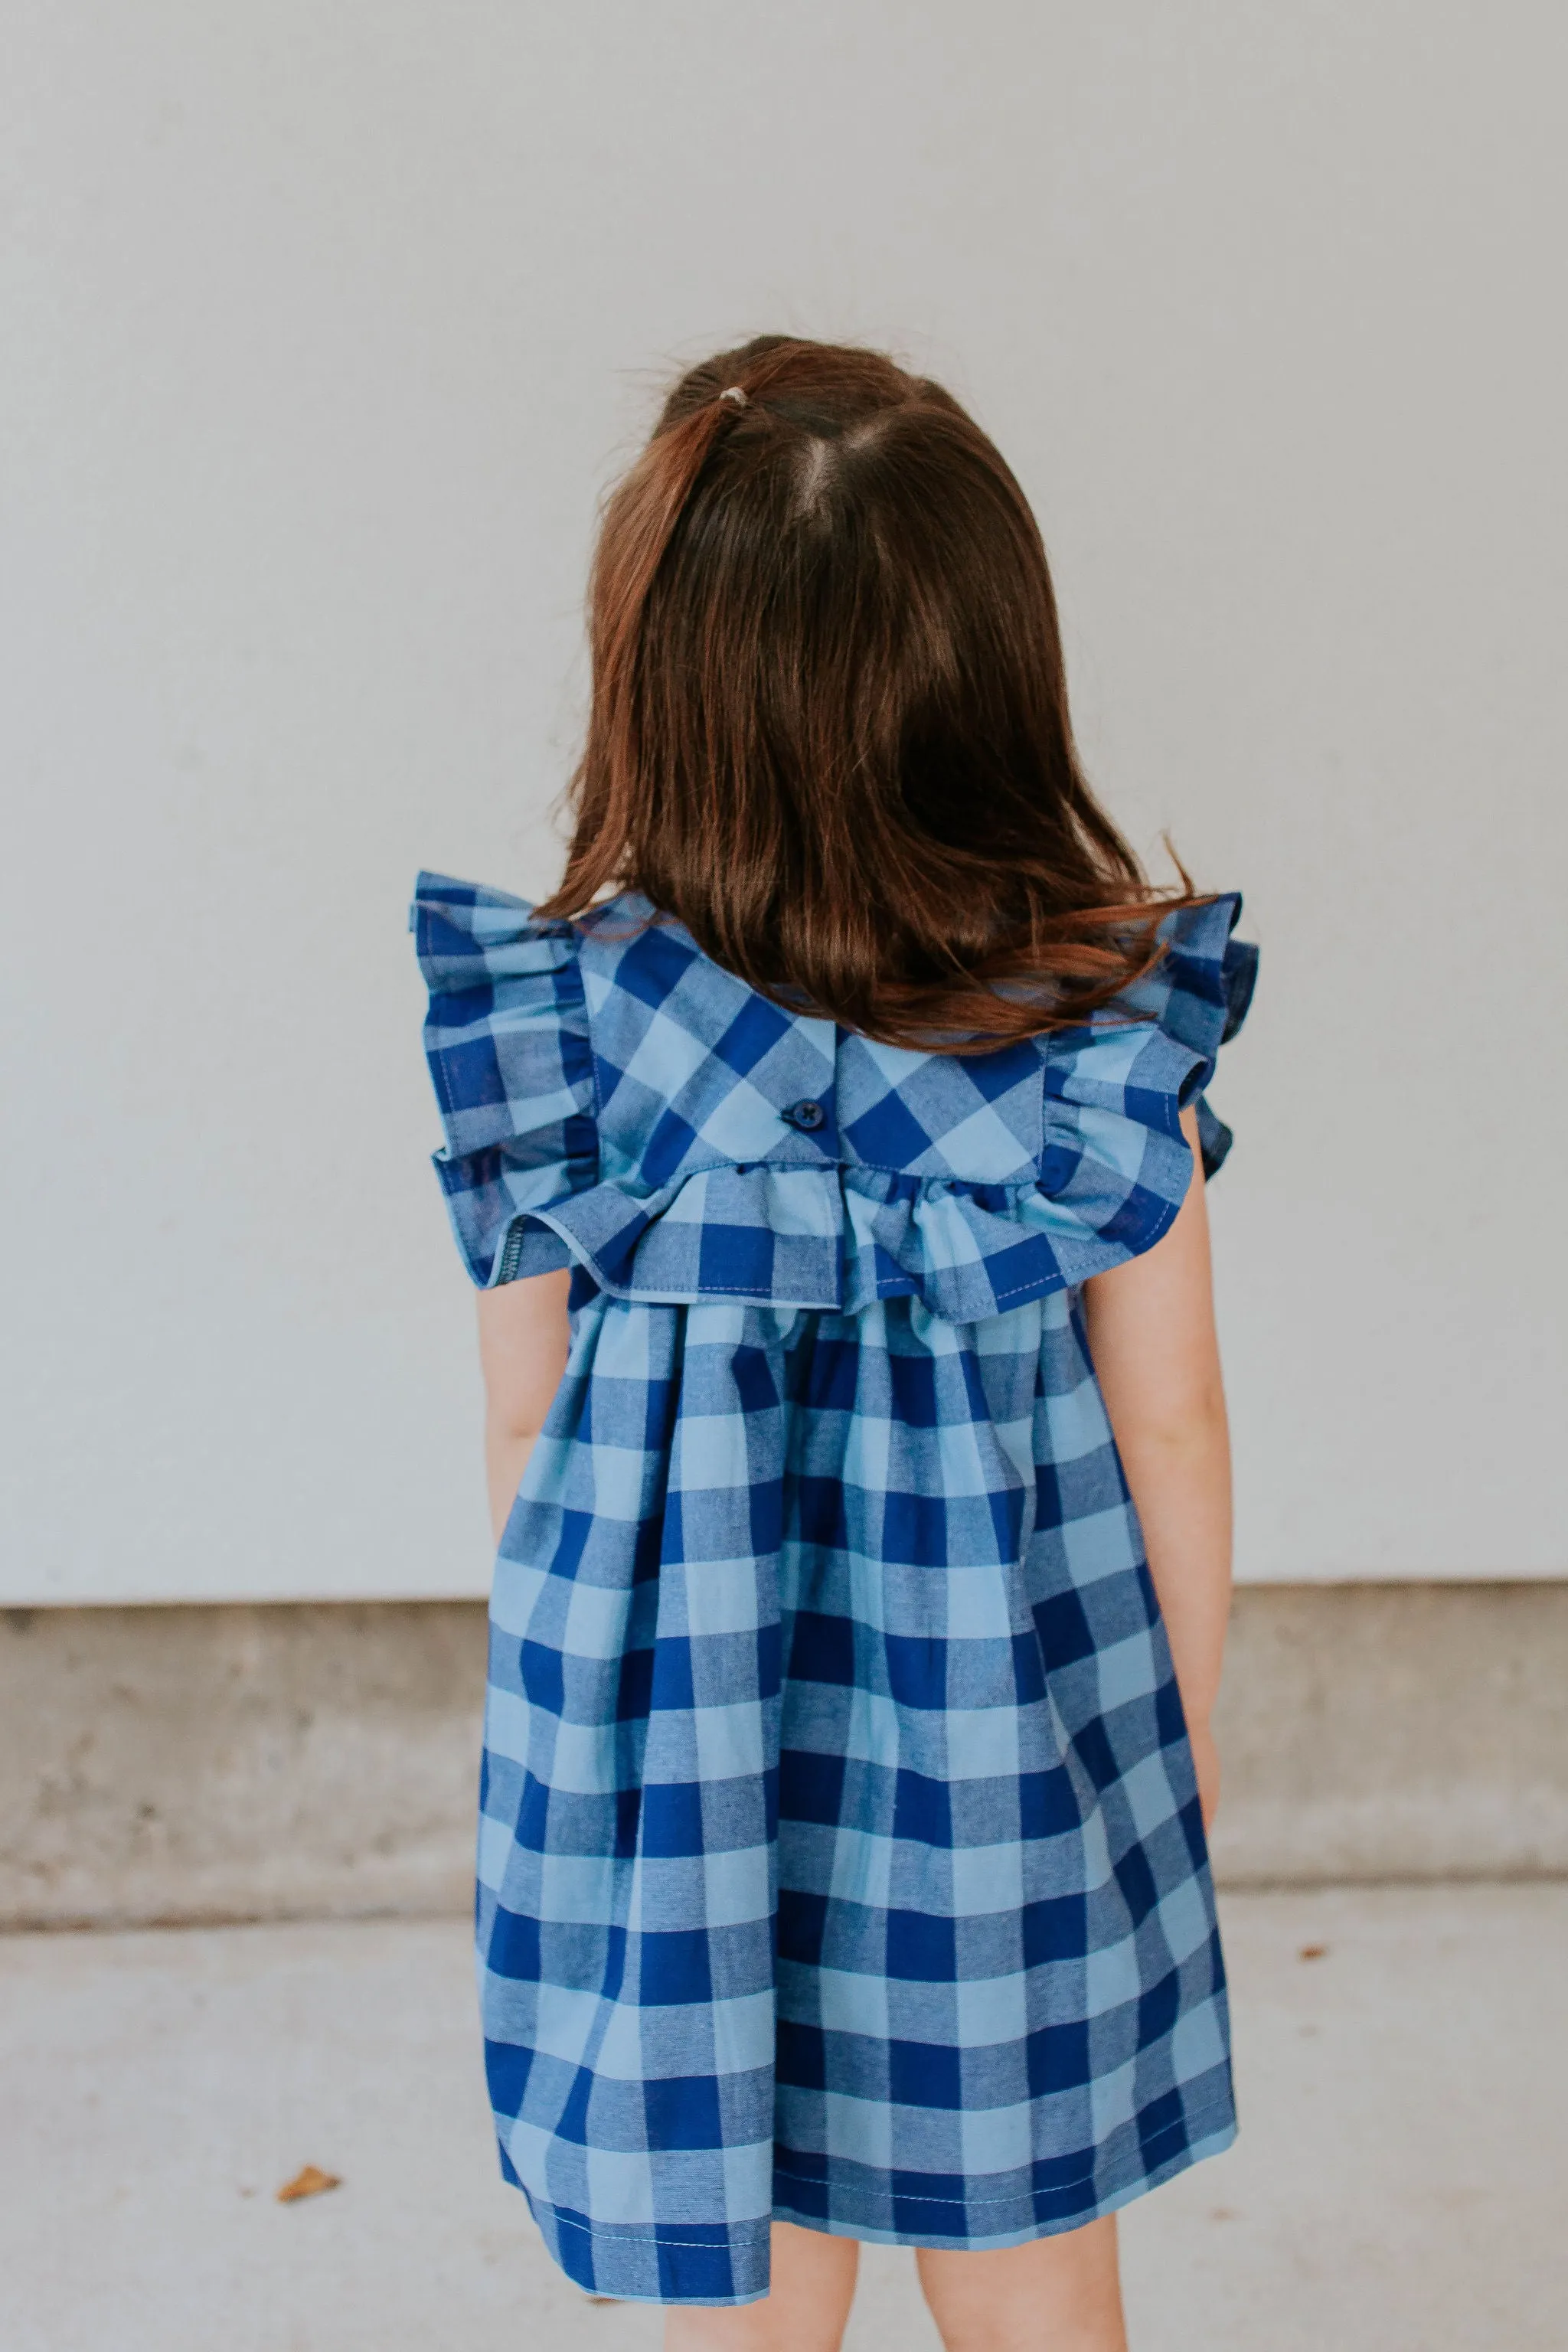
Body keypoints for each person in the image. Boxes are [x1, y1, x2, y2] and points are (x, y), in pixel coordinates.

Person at [411, 336, 1256, 2352]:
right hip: (1006, 1780)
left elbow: (526, 1429)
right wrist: (1180, 1753)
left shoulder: (564, 1035)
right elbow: (1178, 1427)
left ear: (659, 684)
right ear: (990, 680)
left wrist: (564, 1771)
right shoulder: (1090, 1035)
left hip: (680, 1781)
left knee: (746, 2284)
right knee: (1039, 2280)